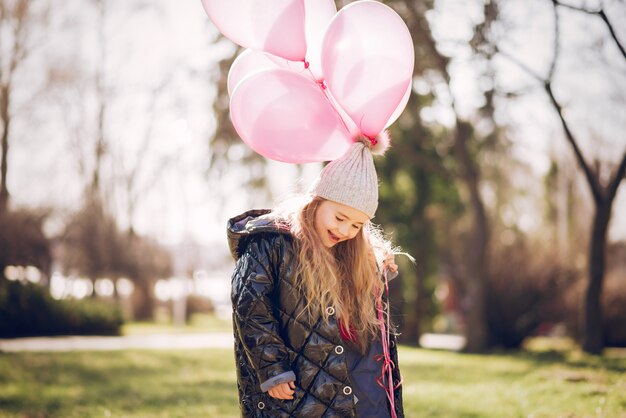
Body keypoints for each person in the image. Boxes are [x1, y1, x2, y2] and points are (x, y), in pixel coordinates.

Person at [227, 138, 404, 417]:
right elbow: (249, 305)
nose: (346, 230)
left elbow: (353, 324)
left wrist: (376, 271)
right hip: (295, 389)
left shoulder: (346, 252)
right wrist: (272, 368)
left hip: (340, 388)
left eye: (357, 225)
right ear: (318, 202)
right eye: (340, 217)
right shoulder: (273, 243)